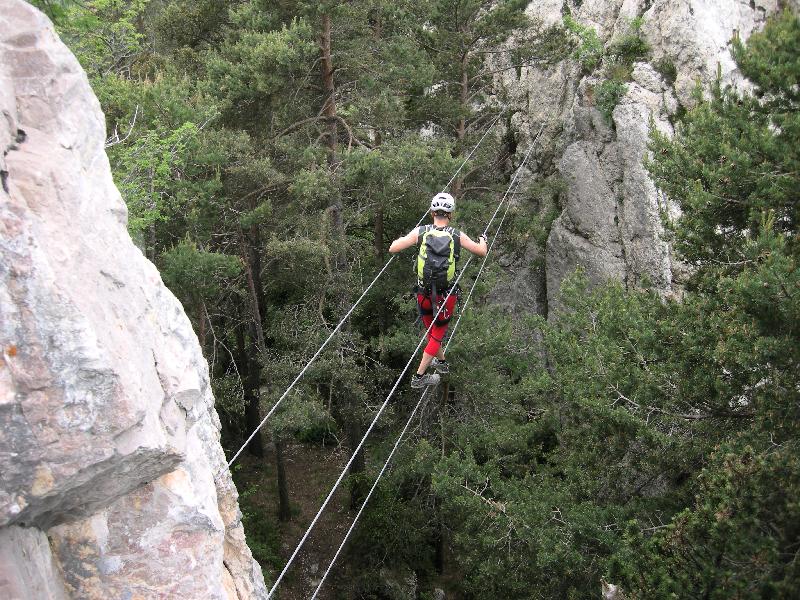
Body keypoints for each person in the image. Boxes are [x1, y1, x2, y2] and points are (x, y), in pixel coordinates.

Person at [389, 192, 488, 388]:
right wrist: (483, 239)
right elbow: (481, 252)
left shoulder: (421, 232)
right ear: (450, 214)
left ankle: (441, 363)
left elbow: (393, 248)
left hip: (423, 293)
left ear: (432, 212)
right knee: (437, 333)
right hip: (446, 295)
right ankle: (419, 377)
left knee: (432, 331)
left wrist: (405, 238)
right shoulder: (457, 235)